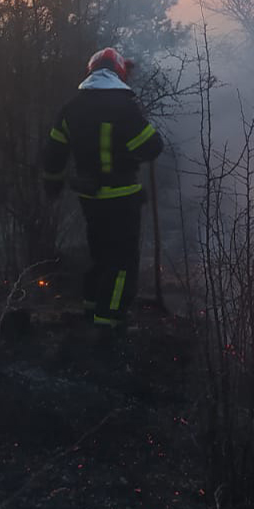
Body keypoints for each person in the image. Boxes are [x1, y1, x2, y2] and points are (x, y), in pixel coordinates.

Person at [41, 47, 164, 328]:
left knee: (99, 256)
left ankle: (91, 310)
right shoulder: (124, 107)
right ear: (119, 74)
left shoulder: (72, 108)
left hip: (90, 199)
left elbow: (53, 153)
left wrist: (53, 185)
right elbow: (152, 147)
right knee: (121, 262)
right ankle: (110, 323)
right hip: (122, 199)